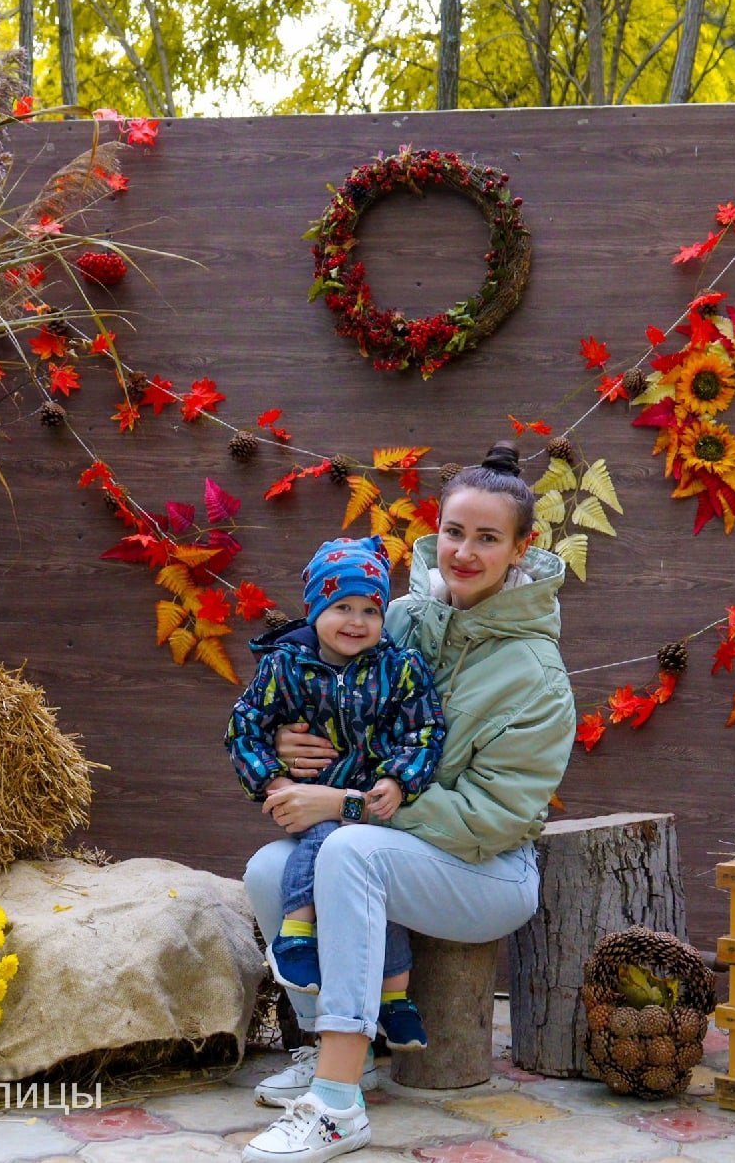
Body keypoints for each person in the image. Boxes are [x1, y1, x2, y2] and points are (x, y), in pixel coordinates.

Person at [240, 442, 577, 1163]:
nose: (464, 551)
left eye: (488, 538)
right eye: (455, 531)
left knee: (351, 849)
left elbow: (497, 819)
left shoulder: (537, 677)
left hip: (487, 870)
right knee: (271, 869)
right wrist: (295, 743)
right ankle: (336, 1050)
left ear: (522, 548)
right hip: (400, 844)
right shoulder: (398, 619)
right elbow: (323, 689)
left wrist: (345, 804)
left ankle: (335, 1107)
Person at [226, 533, 445, 1053]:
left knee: (374, 891)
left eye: (370, 609)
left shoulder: (400, 669)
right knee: (325, 840)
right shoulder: (284, 667)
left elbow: (425, 730)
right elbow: (244, 727)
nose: (356, 621)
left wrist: (397, 778)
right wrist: (274, 781)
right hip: (312, 800)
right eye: (342, 606)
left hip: (370, 807)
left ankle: (395, 997)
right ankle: (298, 935)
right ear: (315, 609)